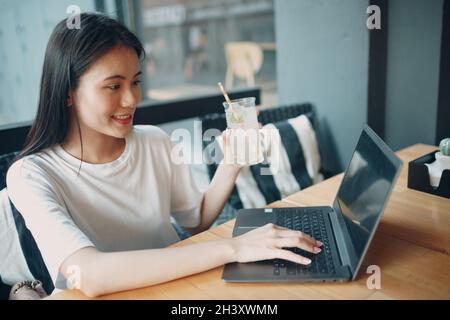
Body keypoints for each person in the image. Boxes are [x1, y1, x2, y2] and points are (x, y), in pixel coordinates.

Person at [6, 13, 322, 298]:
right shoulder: (31, 174)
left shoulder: (155, 141)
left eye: (136, 82)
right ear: (68, 93)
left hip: (179, 287)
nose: (131, 99)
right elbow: (88, 274)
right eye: (114, 86)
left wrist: (231, 164)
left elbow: (196, 221)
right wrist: (235, 248)